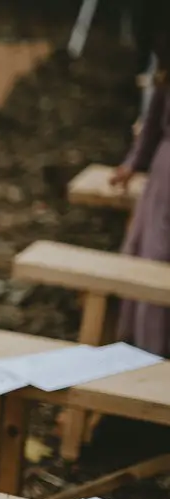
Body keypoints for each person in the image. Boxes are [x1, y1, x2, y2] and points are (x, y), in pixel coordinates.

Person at [110, 21, 170, 357]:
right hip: (166, 181)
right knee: (156, 259)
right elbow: (153, 124)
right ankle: (150, 353)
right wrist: (133, 162)